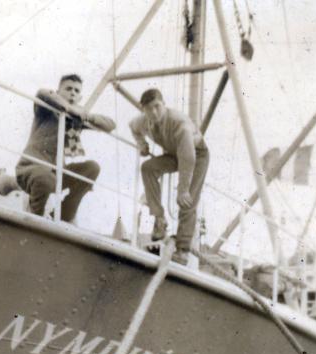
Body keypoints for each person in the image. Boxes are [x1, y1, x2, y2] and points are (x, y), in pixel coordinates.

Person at [16, 74, 115, 222]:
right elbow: (42, 93)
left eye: (76, 90)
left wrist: (86, 116)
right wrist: (68, 108)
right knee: (45, 178)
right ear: (58, 92)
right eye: (68, 88)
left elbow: (110, 125)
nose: (72, 93)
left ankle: (64, 214)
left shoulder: (76, 119)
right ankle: (35, 221)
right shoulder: (46, 110)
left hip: (57, 173)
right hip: (31, 168)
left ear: (80, 97)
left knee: (92, 168)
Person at [130, 88, 209, 261]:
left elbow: (187, 158)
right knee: (148, 168)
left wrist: (183, 189)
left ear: (164, 104)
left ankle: (182, 250)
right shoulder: (143, 122)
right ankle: (159, 219)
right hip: (173, 154)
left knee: (187, 200)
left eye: (157, 106)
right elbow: (132, 127)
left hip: (196, 154)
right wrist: (142, 144)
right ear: (143, 110)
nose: (154, 112)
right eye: (149, 108)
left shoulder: (179, 123)